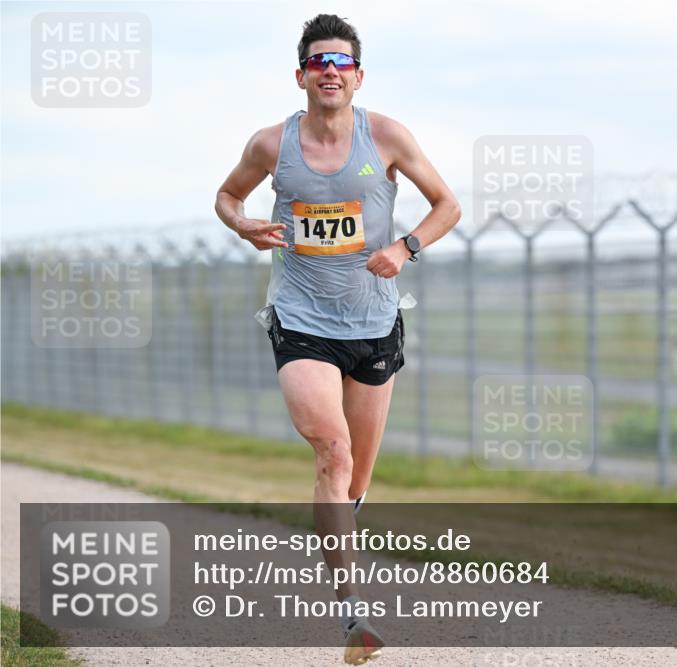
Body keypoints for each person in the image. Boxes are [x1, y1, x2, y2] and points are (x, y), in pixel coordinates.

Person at [214, 13, 461, 664]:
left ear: (357, 77)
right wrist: (243, 224)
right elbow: (226, 197)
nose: (330, 70)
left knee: (354, 483)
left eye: (341, 62)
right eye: (318, 61)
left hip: (374, 323)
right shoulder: (272, 144)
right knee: (333, 449)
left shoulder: (386, 136)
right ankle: (353, 614)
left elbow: (448, 205)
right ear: (300, 75)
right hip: (300, 319)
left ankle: (339, 527)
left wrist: (405, 248)